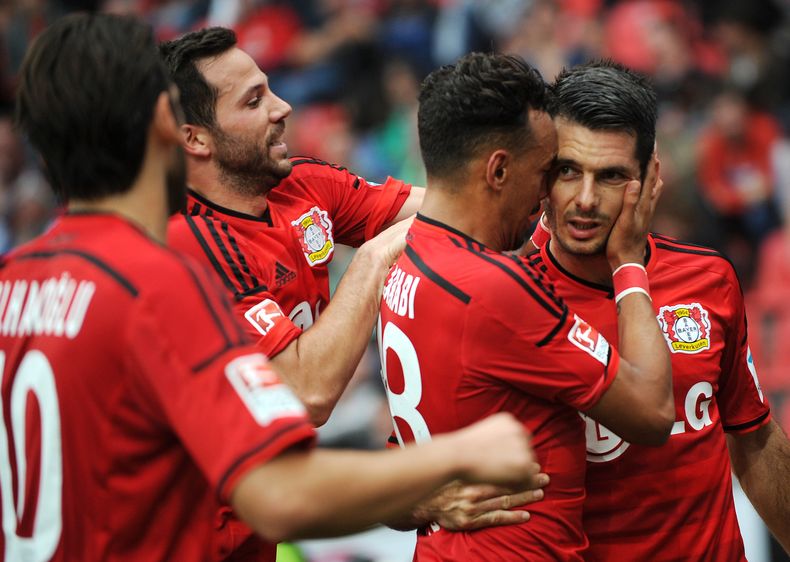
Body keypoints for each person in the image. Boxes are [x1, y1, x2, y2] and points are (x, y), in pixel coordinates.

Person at [1, 12, 546, 561]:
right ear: (174, 125)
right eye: (254, 99)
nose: (283, 108)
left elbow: (466, 211)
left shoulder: (13, 279)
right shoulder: (156, 279)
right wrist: (456, 457)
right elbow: (279, 488)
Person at [378, 51, 674, 561]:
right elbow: (651, 412)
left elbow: (391, 481)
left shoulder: (408, 266)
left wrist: (427, 500)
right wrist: (628, 262)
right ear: (498, 170)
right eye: (549, 172)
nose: (546, 195)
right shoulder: (494, 288)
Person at [528, 59, 790, 559]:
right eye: (568, 171)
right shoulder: (507, 297)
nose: (584, 199)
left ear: (651, 177)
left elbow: (753, 438)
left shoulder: (710, 278)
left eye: (610, 176)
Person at [161, 27, 422, 427]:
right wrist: (375, 256)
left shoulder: (301, 184)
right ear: (195, 139)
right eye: (254, 102)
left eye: (270, 90)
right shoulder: (186, 241)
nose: (282, 108)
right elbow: (308, 392)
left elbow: (450, 210)